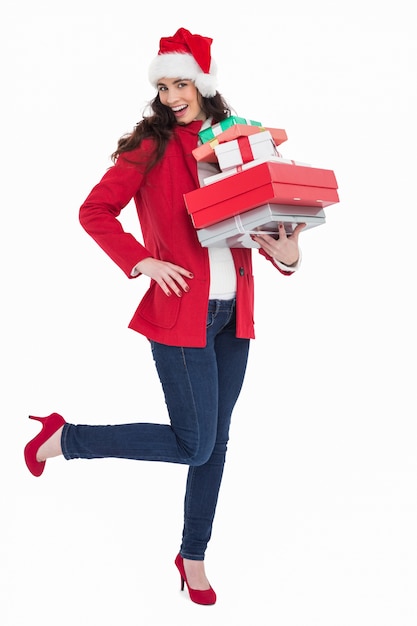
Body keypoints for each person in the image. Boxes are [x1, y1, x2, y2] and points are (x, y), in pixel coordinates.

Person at [24, 27, 305, 606]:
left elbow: (269, 225)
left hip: (235, 315)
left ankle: (193, 554)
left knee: (215, 442)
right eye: (163, 85)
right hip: (181, 312)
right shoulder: (150, 145)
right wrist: (142, 261)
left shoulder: (240, 141)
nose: (172, 95)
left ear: (203, 84)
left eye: (181, 83)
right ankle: (67, 439)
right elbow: (95, 210)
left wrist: (289, 253)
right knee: (195, 443)